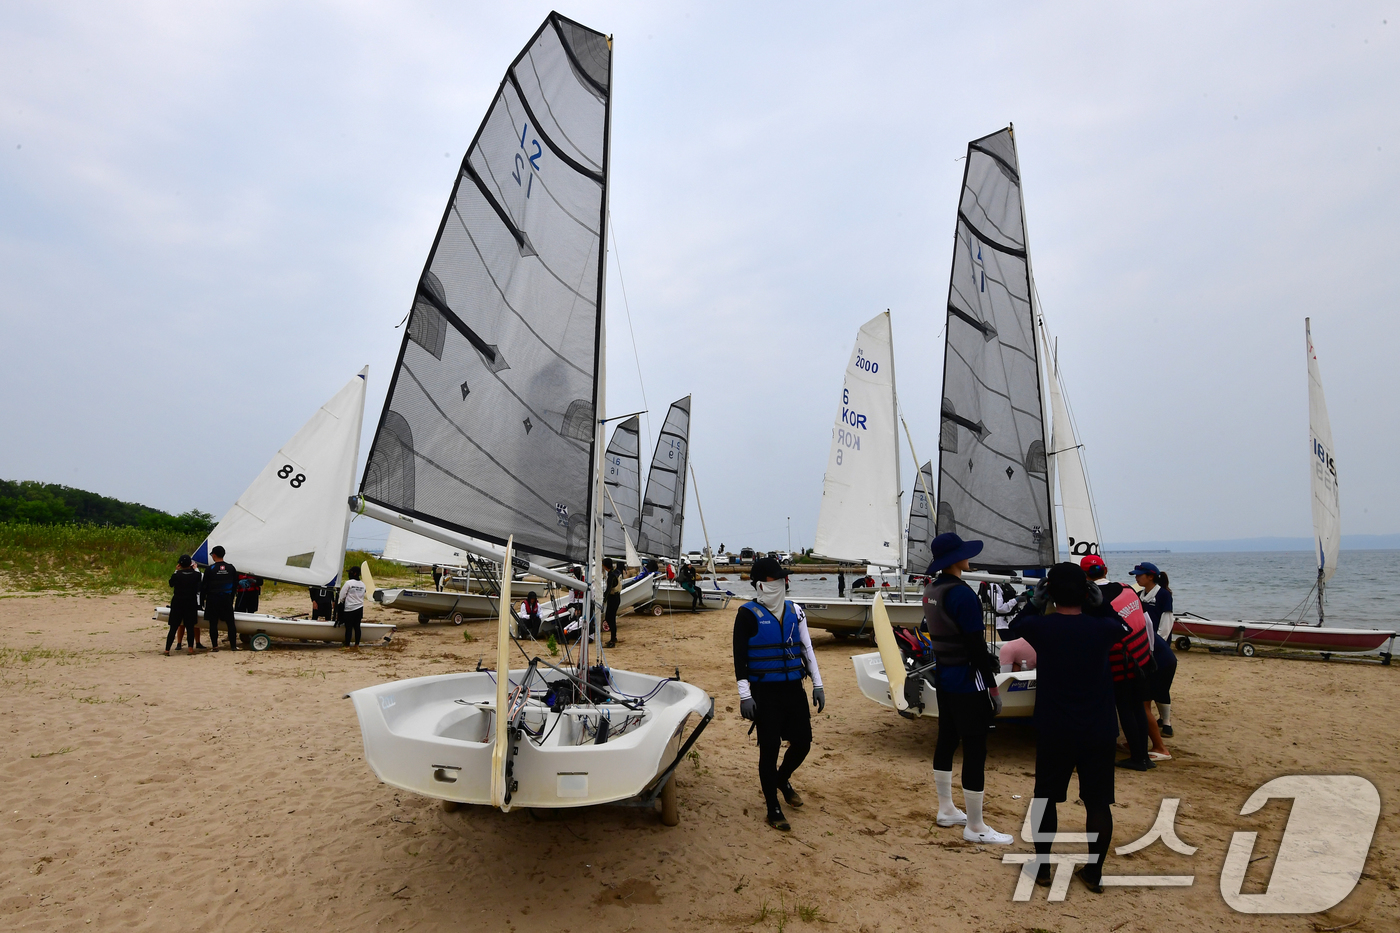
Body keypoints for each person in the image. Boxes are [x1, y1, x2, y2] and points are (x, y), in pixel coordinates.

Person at [1009, 562, 1131, 894]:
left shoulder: (1042, 627)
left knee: (1045, 798)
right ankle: (1094, 872)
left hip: (1055, 727)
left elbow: (1013, 626)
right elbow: (1123, 627)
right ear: (1086, 593)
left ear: (1050, 592)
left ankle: (1044, 867)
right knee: (1098, 803)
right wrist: (1101, 602)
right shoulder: (1102, 628)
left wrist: (1035, 601)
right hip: (1098, 727)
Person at [920, 533, 1011, 845]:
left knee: (946, 739)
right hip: (968, 681)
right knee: (975, 749)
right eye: (962, 553)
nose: (967, 557)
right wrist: (993, 689)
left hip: (945, 677)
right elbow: (974, 646)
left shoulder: (931, 589)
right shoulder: (963, 594)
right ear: (954, 559)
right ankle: (975, 826)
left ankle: (946, 809)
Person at [733, 556, 824, 831]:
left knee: (803, 742)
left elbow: (806, 648)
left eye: (784, 577)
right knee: (770, 748)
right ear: (762, 584)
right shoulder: (747, 615)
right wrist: (745, 695)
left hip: (793, 687)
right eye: (777, 578)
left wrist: (818, 684)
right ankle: (773, 807)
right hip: (765, 691)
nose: (783, 581)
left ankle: (781, 779)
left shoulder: (795, 610)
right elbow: (740, 660)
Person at [1081, 555, 1156, 771]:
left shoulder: (1089, 601)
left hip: (1120, 663)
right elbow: (1147, 621)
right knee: (1137, 708)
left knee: (1125, 709)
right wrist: (1149, 653)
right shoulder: (1128, 589)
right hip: (1141, 658)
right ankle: (1143, 756)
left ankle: (1138, 758)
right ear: (1105, 570)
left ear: (1085, 576)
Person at [1134, 563, 1176, 736]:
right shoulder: (1139, 594)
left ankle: (1166, 723)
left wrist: (1157, 645)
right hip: (1145, 645)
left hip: (1157, 646)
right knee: (1149, 687)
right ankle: (1154, 719)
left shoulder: (1163, 595)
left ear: (1150, 576)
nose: (1136, 578)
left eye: (1139, 575)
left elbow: (1166, 623)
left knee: (1161, 686)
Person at [200, 546, 239, 652]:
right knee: (231, 623)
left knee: (213, 623)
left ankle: (215, 646)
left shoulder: (210, 569)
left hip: (213, 599)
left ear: (214, 555)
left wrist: (202, 601)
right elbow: (235, 585)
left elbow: (204, 586)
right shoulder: (231, 568)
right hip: (226, 599)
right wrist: (231, 598)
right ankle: (233, 646)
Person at [167, 555, 202, 656]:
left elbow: (171, 583)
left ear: (180, 564)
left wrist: (175, 571)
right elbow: (200, 577)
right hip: (190, 602)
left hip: (177, 602)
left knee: (173, 627)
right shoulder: (195, 575)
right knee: (190, 626)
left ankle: (167, 649)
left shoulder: (177, 575)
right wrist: (196, 569)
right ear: (190, 564)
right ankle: (190, 649)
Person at [339, 566, 366, 647]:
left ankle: (347, 645)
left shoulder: (348, 583)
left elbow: (342, 596)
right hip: (359, 608)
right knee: (357, 627)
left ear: (354, 573)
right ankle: (357, 644)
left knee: (349, 628)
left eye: (350, 572)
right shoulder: (363, 584)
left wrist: (340, 606)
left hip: (349, 608)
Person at [603, 557, 622, 648]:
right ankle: (613, 637)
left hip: (613, 598)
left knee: (609, 618)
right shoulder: (617, 571)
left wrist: (603, 600)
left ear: (605, 566)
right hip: (617, 597)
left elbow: (608, 589)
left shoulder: (611, 576)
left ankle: (613, 639)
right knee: (611, 618)